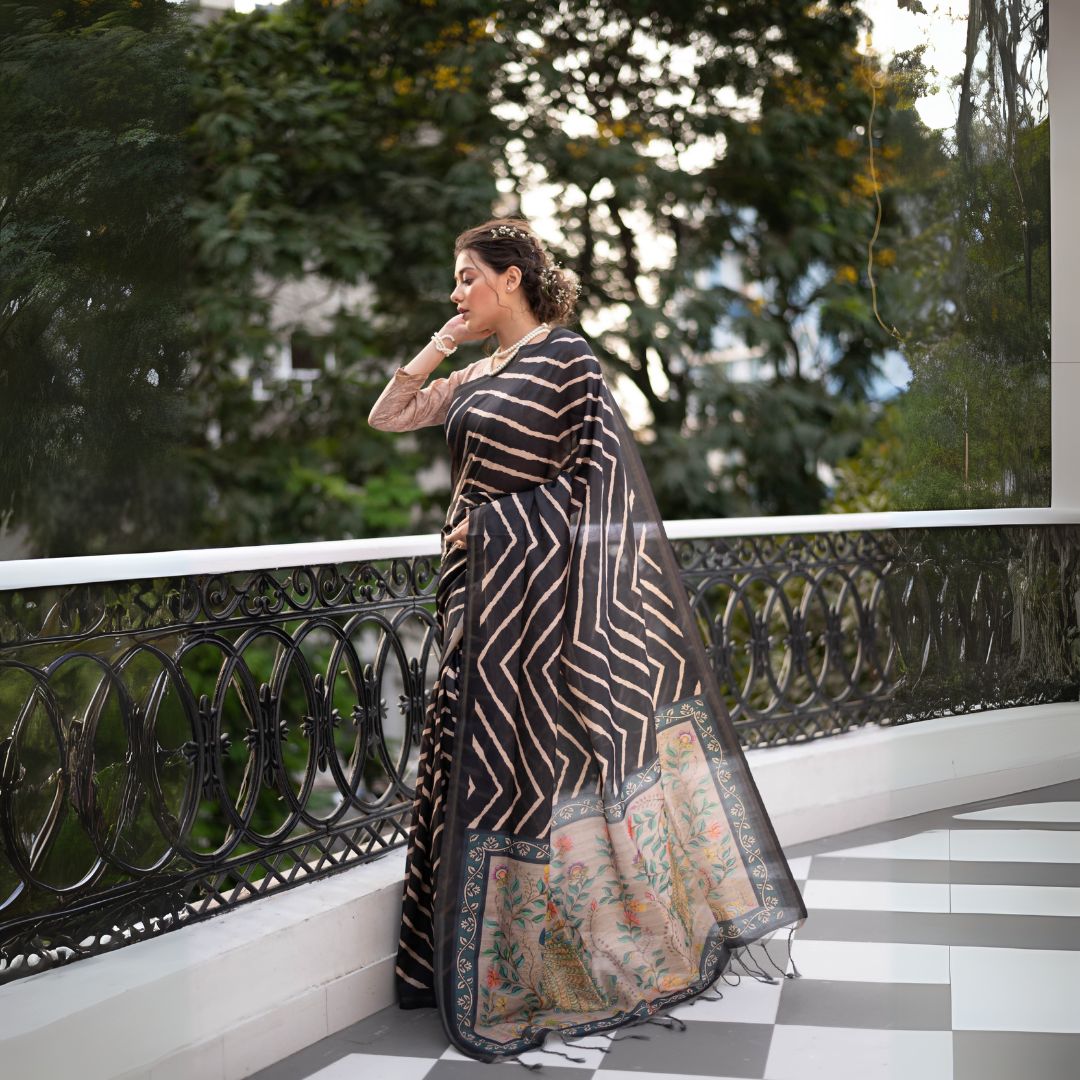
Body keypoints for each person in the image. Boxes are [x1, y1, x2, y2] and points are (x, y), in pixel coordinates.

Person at [367, 217, 807, 1065]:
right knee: (470, 759)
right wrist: (442, 341)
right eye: (453, 282)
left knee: (542, 769)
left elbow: (595, 496)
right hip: (476, 605)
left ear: (511, 278)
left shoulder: (567, 362)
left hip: (543, 608)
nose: (455, 293)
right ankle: (454, 960)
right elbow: (389, 414)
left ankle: (572, 955)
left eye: (466, 279)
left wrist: (494, 524)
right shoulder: (476, 372)